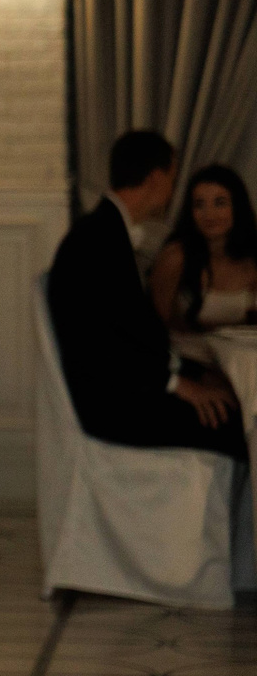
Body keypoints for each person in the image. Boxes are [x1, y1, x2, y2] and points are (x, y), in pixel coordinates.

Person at [49, 132, 244, 457]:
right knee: (239, 421)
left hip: (125, 389)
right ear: (155, 178)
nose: (172, 190)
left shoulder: (103, 230)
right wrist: (179, 384)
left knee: (236, 405)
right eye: (172, 179)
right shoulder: (98, 240)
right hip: (115, 404)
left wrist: (194, 374)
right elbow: (105, 344)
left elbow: (131, 334)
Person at [149, 165, 257, 336]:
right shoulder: (176, 256)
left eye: (220, 203)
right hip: (182, 351)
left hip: (237, 351)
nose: (209, 214)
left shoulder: (251, 259)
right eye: (199, 204)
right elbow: (154, 323)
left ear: (237, 206)